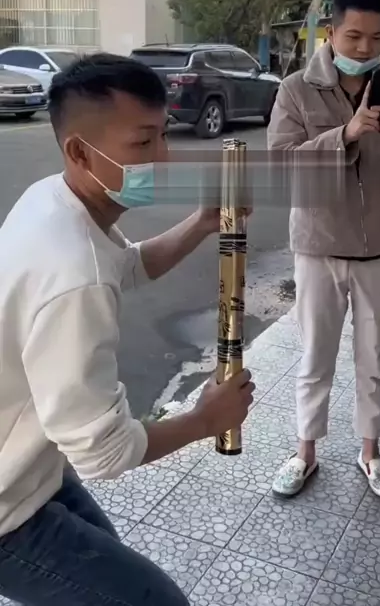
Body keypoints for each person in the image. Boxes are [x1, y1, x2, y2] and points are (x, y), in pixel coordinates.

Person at [0, 53, 254, 606]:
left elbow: (127, 265)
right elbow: (105, 453)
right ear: (79, 151)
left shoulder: (52, 200)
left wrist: (203, 222)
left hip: (30, 467)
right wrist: (205, 420)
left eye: (162, 134)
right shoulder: (74, 274)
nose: (162, 157)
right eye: (142, 143)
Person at [268, 0, 380, 500]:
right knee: (315, 357)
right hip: (318, 246)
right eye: (354, 36)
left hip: (379, 248)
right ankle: (305, 453)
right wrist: (347, 132)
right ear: (332, 32)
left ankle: (371, 452)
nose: (365, 48)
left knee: (374, 360)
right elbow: (281, 168)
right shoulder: (296, 89)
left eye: (377, 38)